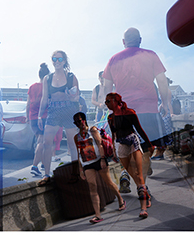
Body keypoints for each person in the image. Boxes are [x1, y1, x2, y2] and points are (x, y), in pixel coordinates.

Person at [101, 28, 172, 169]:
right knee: (147, 143)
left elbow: (106, 87)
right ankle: (145, 167)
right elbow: (162, 82)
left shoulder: (113, 59)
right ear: (140, 40)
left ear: (123, 41)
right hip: (148, 109)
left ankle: (129, 173)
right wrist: (165, 103)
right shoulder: (151, 55)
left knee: (126, 145)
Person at [105, 93, 154, 219]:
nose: (107, 104)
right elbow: (113, 134)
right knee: (133, 176)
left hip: (133, 141)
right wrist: (114, 152)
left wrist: (149, 145)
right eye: (106, 102)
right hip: (121, 145)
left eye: (108, 101)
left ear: (115, 101)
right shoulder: (110, 118)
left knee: (138, 174)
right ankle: (146, 195)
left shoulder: (130, 113)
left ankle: (143, 208)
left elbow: (139, 129)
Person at [72, 112, 126, 224]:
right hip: (87, 164)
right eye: (76, 122)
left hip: (98, 160)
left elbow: (100, 144)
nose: (78, 124)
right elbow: (79, 153)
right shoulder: (76, 137)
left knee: (109, 182)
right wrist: (80, 169)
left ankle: (120, 200)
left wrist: (102, 159)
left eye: (79, 121)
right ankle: (97, 215)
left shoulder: (93, 130)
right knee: (92, 186)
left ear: (84, 120)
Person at [37, 51, 80, 183]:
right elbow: (44, 98)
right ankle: (46, 174)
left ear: (64, 61)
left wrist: (72, 96)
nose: (57, 61)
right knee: (46, 143)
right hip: (53, 110)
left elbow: (77, 97)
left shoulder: (71, 77)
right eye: (54, 59)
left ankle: (75, 172)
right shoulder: (47, 79)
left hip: (69, 110)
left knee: (73, 144)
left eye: (60, 59)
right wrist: (39, 116)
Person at [28, 63, 51, 178]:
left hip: (32, 117)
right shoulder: (47, 87)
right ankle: (35, 166)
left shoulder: (32, 87)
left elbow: (28, 103)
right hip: (43, 116)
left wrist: (28, 117)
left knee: (40, 141)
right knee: (42, 142)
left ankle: (42, 163)